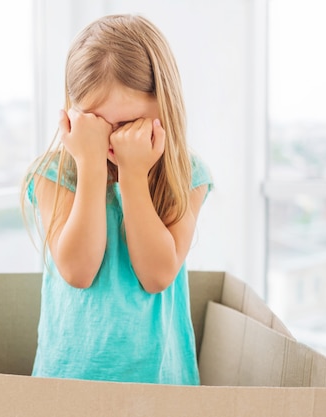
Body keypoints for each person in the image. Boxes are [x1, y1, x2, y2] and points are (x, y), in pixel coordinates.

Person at [21, 13, 213, 385]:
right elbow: (78, 271)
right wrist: (90, 165)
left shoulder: (185, 174)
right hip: (67, 384)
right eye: (96, 122)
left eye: (128, 125)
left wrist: (133, 175)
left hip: (160, 385)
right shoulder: (53, 175)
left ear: (164, 106)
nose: (111, 139)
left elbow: (156, 275)